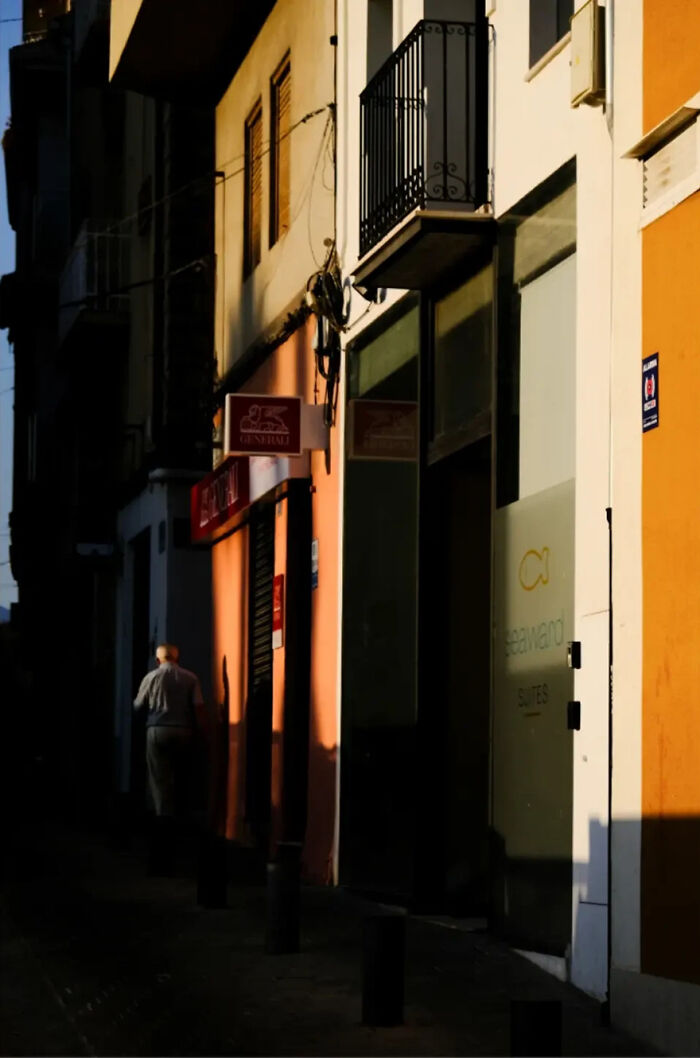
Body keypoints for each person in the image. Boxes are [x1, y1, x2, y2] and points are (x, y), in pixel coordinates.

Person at [133, 643, 204, 818]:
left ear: (158, 660)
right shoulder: (190, 678)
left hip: (157, 730)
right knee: (182, 774)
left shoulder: (151, 677)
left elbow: (138, 705)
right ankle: (182, 816)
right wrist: (203, 732)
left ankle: (163, 817)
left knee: (159, 778)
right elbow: (199, 707)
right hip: (183, 730)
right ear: (177, 658)